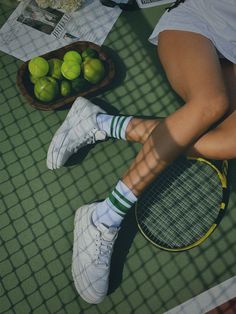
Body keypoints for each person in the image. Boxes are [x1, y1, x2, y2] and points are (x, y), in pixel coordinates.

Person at [46, 0, 236, 304]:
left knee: (228, 143)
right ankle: (104, 217)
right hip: (196, 25)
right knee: (210, 103)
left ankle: (100, 122)